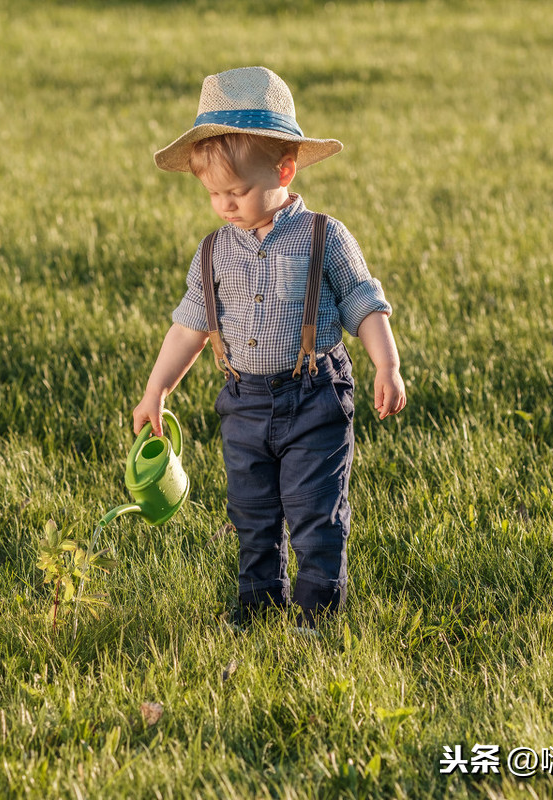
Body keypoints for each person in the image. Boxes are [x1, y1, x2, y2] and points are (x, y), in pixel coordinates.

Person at [132, 66, 406, 630]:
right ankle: (258, 608)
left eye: (239, 191)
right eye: (214, 194)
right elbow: (190, 325)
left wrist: (387, 362)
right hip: (245, 402)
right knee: (252, 514)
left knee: (315, 512)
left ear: (285, 170)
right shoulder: (213, 253)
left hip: (315, 396)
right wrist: (157, 388)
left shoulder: (324, 237)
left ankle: (316, 615)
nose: (227, 204)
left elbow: (362, 300)